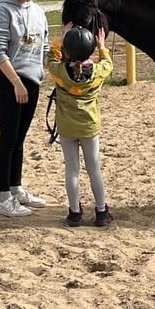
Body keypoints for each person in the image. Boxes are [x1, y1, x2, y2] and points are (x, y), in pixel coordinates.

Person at [0, 0, 50, 217]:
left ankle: (16, 187)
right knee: (8, 138)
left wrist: (43, 70)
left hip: (32, 80)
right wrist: (16, 82)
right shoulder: (2, 13)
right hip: (9, 81)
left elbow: (43, 43)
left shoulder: (38, 12)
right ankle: (3, 198)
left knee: (20, 139)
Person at [47, 23, 114, 227]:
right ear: (90, 50)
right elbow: (108, 63)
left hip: (67, 127)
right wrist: (102, 46)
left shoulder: (58, 70)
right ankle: (101, 211)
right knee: (94, 169)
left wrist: (61, 39)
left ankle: (75, 212)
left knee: (72, 170)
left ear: (67, 51)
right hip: (89, 126)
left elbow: (51, 57)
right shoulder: (98, 72)